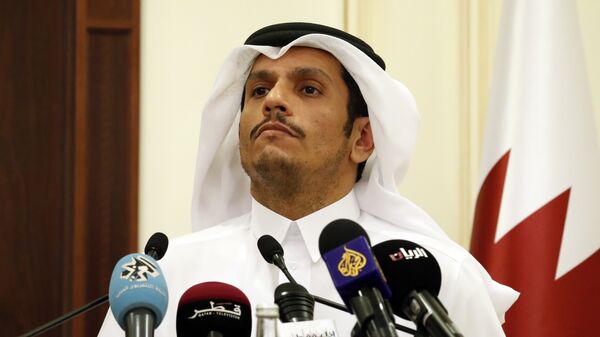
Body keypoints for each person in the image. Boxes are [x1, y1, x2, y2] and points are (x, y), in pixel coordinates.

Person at [98, 22, 518, 336]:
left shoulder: (435, 281)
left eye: (309, 89)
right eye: (259, 90)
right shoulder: (166, 278)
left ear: (362, 138)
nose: (275, 101)